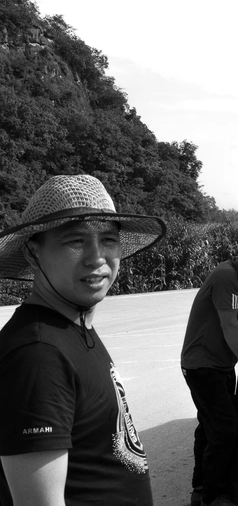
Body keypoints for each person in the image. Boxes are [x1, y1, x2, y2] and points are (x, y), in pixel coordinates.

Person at [0, 174, 166, 506]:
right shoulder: (38, 355)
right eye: (76, 241)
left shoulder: (72, 325)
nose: (96, 257)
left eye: (108, 239)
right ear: (33, 253)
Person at [180, 226, 238, 506]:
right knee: (225, 430)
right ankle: (212, 496)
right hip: (201, 365)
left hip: (222, 365)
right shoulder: (226, 276)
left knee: (210, 427)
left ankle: (200, 490)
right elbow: (229, 323)